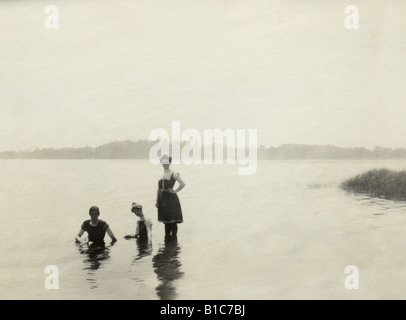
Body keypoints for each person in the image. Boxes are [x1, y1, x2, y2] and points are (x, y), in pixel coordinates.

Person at [156, 155, 186, 241]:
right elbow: (158, 189)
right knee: (166, 222)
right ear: (161, 163)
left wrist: (175, 191)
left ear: (170, 162)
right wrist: (157, 200)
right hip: (162, 200)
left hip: (171, 200)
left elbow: (183, 184)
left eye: (167, 162)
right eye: (163, 162)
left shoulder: (174, 173)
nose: (165, 164)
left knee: (173, 221)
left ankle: (174, 240)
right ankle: (167, 241)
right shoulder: (160, 174)